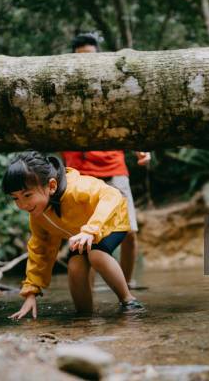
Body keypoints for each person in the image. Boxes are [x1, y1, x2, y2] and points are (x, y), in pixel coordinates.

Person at [3, 151, 143, 320]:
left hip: (111, 221)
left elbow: (112, 195)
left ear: (52, 186)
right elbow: (41, 250)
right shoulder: (38, 216)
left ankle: (128, 301)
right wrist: (31, 292)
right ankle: (84, 317)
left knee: (96, 255)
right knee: (75, 265)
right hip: (84, 234)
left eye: (27, 195)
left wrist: (91, 229)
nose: (22, 204)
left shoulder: (76, 188)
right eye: (15, 198)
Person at [63, 32, 150, 288]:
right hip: (79, 174)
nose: (87, 63)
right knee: (86, 238)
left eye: (91, 57)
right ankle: (89, 294)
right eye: (81, 59)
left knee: (130, 233)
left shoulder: (114, 86)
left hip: (114, 168)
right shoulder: (63, 87)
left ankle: (126, 283)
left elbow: (127, 123)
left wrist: (140, 149)